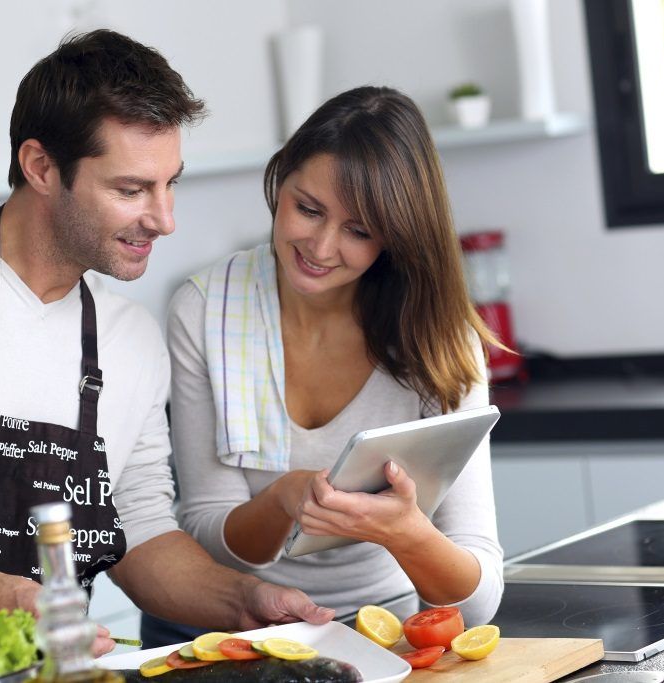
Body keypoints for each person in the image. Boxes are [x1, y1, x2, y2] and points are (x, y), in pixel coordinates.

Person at [0, 29, 334, 653]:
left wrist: (240, 598)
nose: (165, 219)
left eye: (172, 184)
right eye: (131, 190)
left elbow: (138, 531)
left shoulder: (130, 339)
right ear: (40, 167)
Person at [144, 85, 504, 645]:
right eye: (307, 209)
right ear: (279, 181)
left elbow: (477, 603)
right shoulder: (204, 308)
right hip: (231, 629)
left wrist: (408, 533)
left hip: (381, 630)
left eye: (359, 231)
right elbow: (207, 529)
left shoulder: (437, 336)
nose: (321, 246)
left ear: (395, 237)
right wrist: (286, 497)